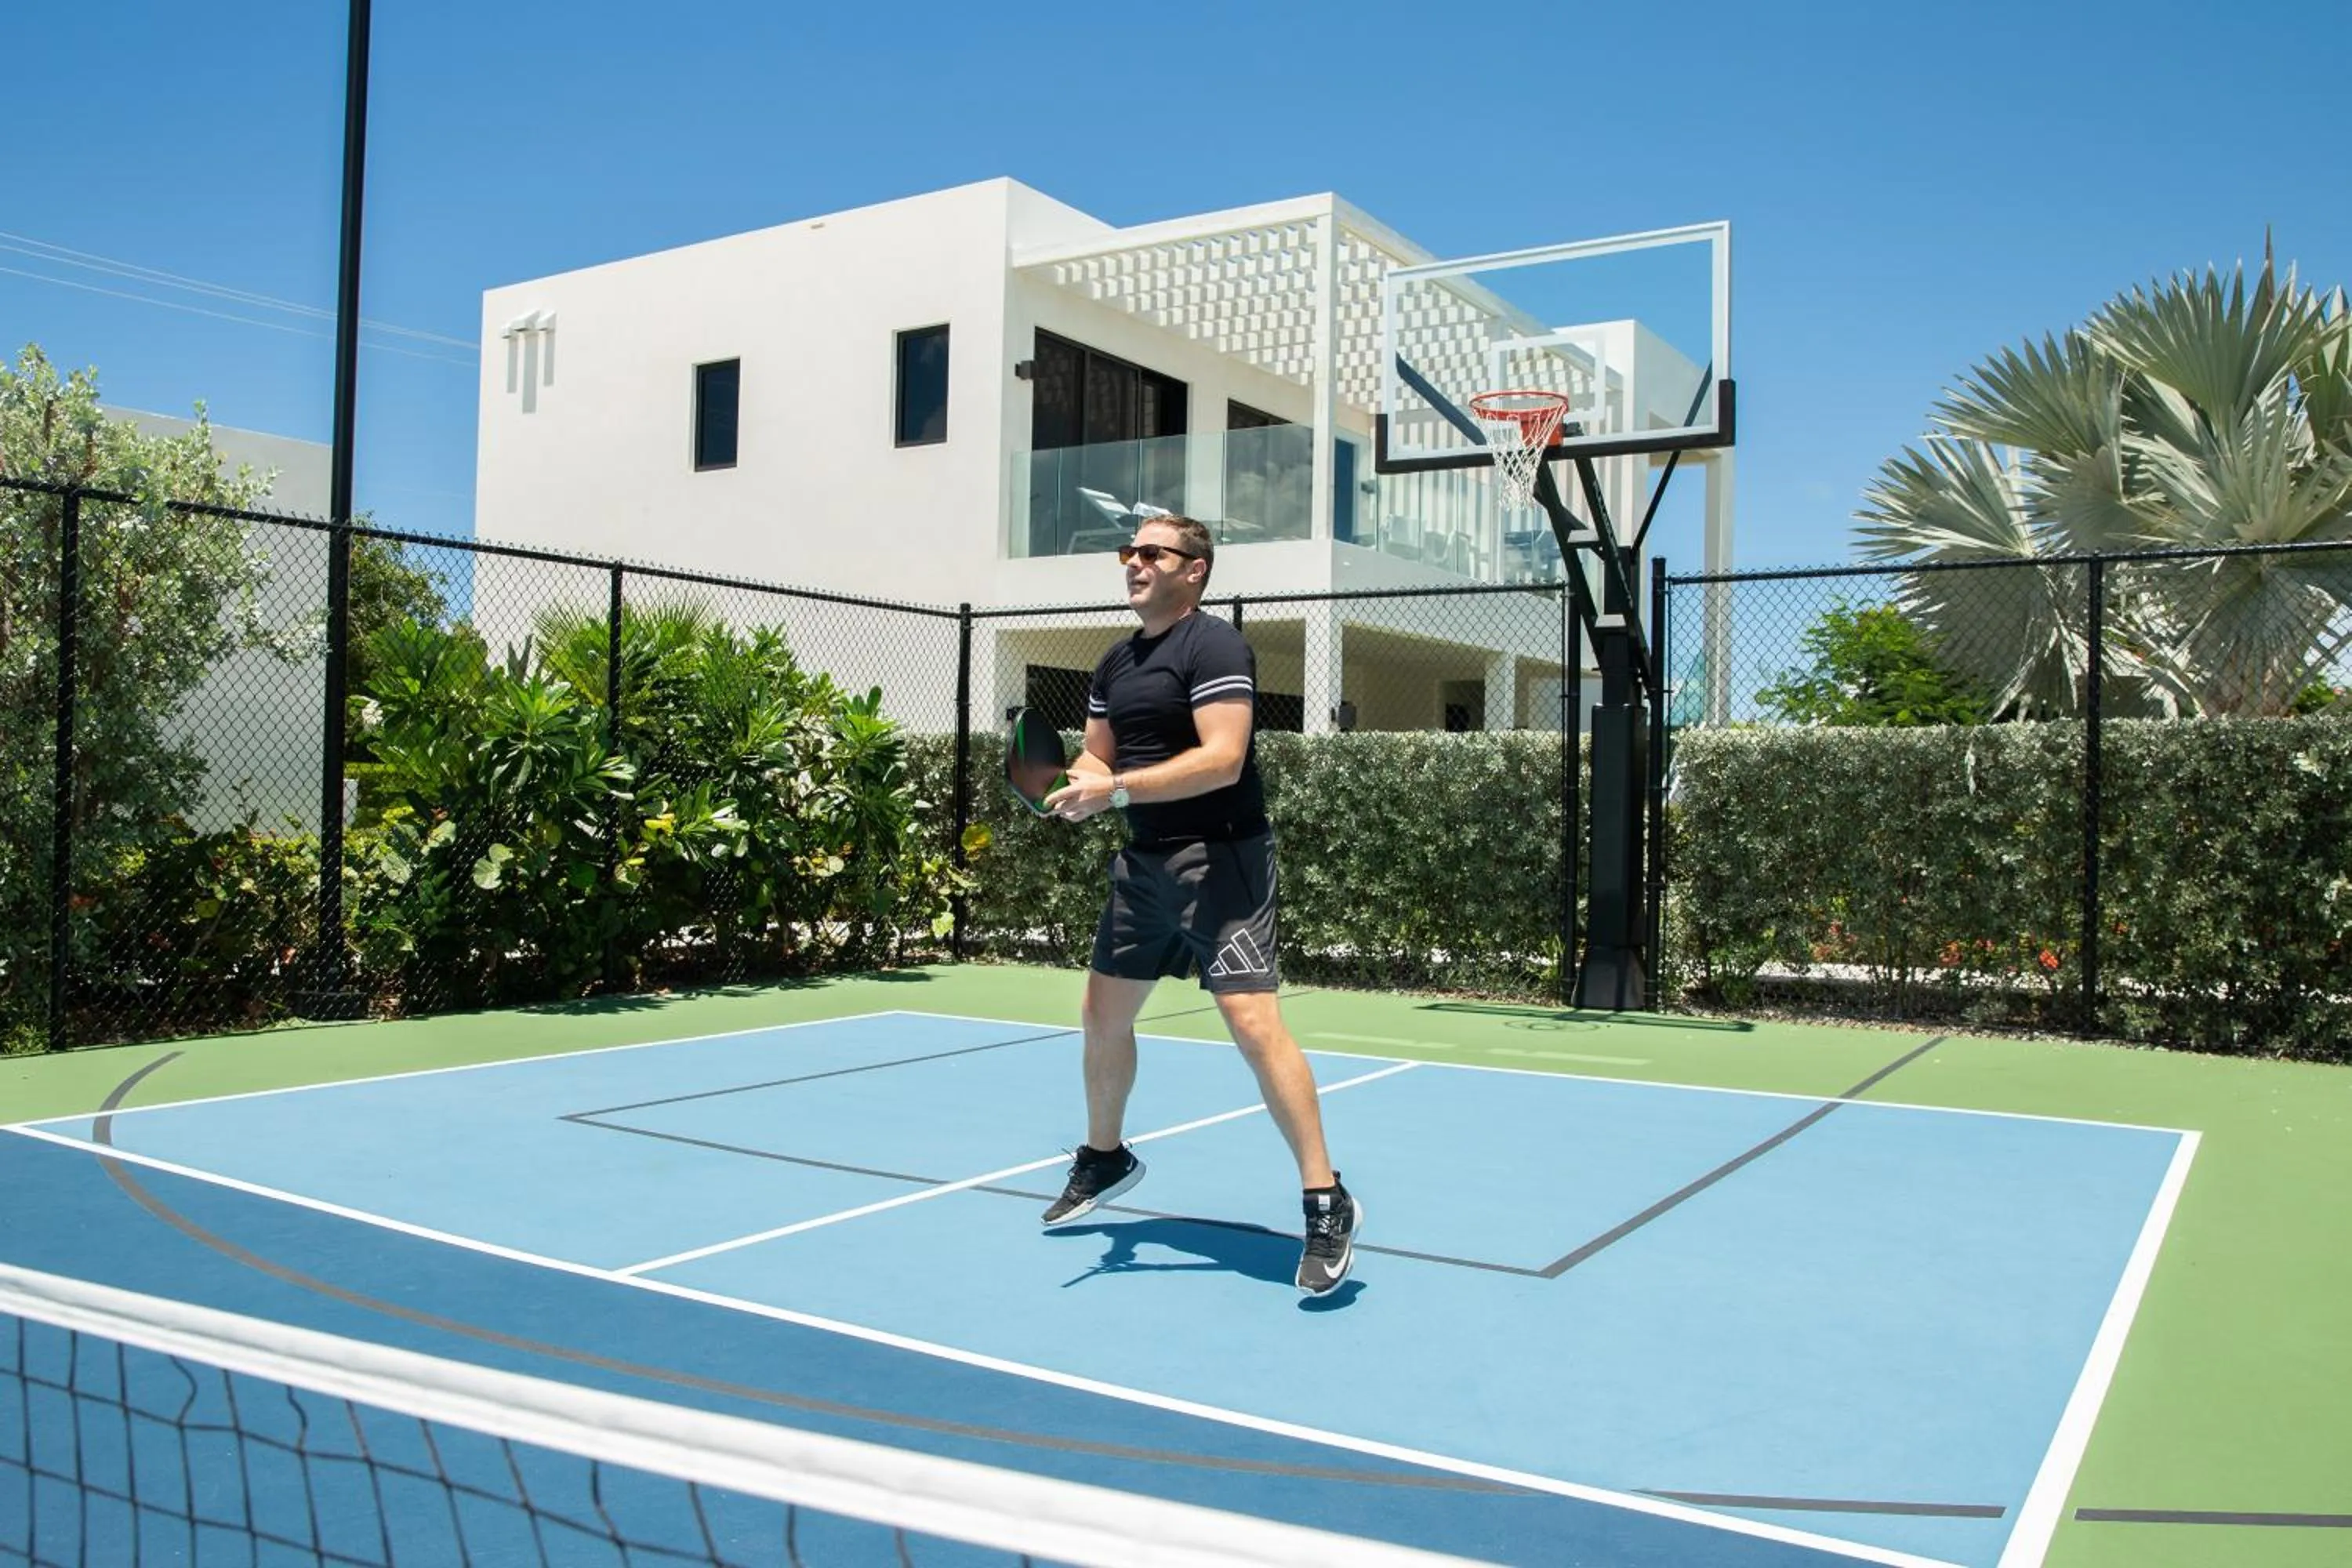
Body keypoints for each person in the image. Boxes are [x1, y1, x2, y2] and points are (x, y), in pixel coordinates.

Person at [1039, 514, 1362, 1297]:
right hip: (1142, 863)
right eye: (1129, 551)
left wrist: (1111, 788)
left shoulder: (1213, 646)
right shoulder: (1115, 660)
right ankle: (1105, 1155)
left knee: (1254, 1023)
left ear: (1196, 569)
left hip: (1222, 861)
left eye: (1152, 551)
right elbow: (1097, 751)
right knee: (1101, 1014)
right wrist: (1069, 778)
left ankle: (1327, 1198)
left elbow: (1222, 760)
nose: (1134, 562)